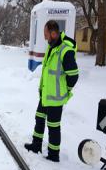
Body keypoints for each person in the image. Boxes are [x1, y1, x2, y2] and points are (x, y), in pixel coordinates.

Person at [24, 20, 79, 162]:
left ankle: (54, 155)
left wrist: (65, 91)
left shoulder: (65, 50)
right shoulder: (51, 47)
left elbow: (73, 75)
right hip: (45, 94)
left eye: (46, 34)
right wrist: (41, 89)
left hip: (55, 98)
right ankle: (36, 145)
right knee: (39, 118)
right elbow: (47, 71)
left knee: (53, 127)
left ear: (53, 33)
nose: (45, 37)